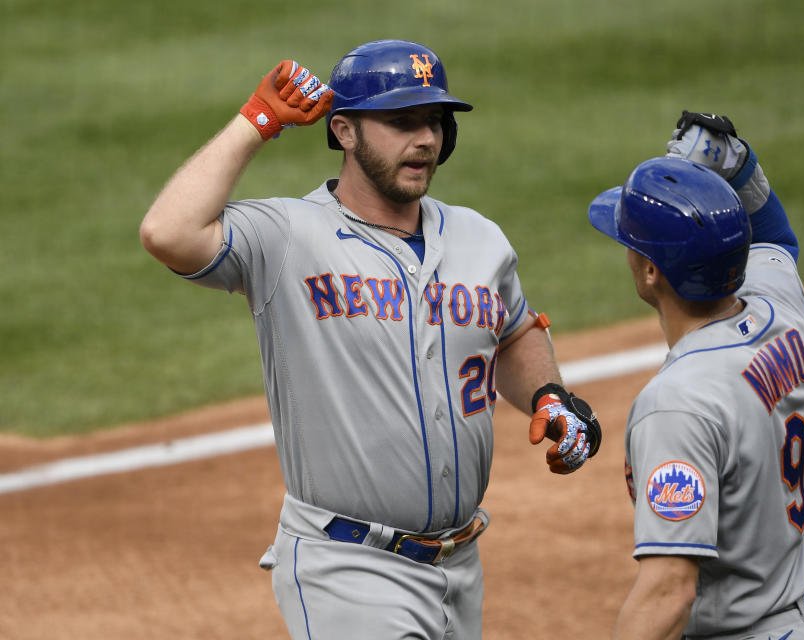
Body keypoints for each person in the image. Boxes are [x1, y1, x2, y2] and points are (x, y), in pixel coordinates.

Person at [139, 39, 601, 639]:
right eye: (401, 122)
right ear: (345, 132)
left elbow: (511, 333)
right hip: (347, 569)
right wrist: (258, 121)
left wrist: (549, 396)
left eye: (433, 121)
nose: (426, 139)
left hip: (458, 567)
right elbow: (167, 232)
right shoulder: (288, 237)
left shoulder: (479, 238)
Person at [587, 112, 804, 639]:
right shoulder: (781, 317)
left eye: (630, 241)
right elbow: (778, 240)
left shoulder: (676, 404)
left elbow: (667, 592)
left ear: (652, 271)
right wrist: (738, 165)